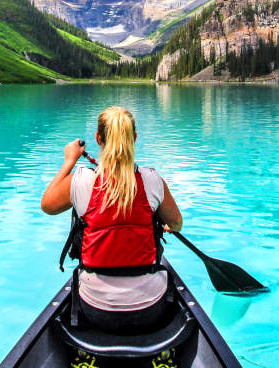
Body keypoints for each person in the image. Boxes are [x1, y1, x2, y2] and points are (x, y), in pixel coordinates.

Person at [41, 106, 183, 334]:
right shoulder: (152, 180)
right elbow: (176, 224)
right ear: (134, 138)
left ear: (98, 138)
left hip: (94, 308)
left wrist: (69, 161)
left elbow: (47, 205)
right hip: (149, 309)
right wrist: (167, 226)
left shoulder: (80, 181)